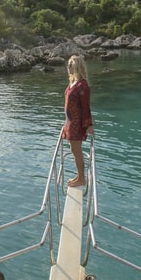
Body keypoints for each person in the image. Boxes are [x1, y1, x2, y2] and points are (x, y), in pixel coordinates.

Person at [62, 55, 94, 187]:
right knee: (74, 150)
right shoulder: (73, 82)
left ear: (78, 66)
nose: (68, 66)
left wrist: (89, 125)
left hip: (76, 123)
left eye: (72, 64)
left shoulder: (83, 85)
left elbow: (86, 107)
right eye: (68, 64)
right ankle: (79, 176)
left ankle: (82, 179)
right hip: (70, 122)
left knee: (77, 150)